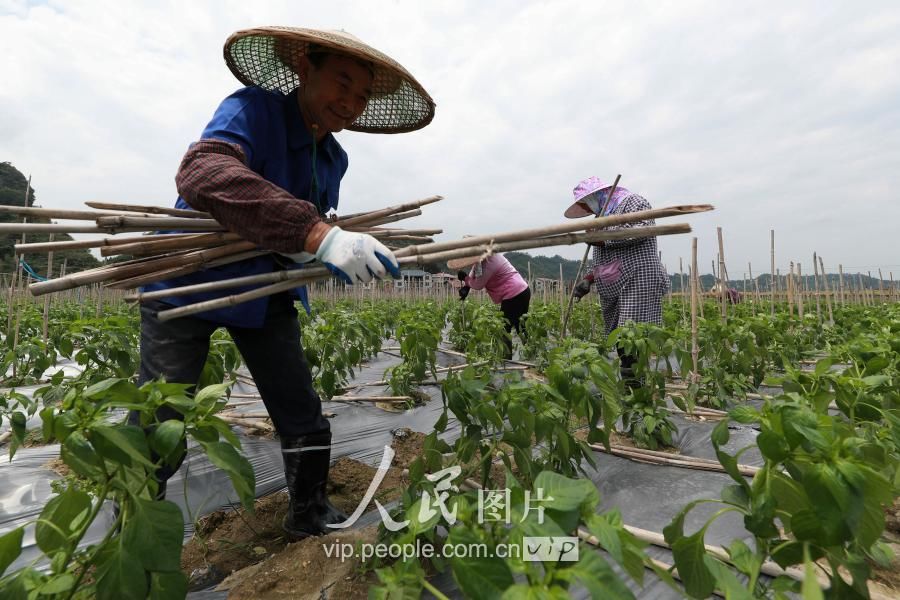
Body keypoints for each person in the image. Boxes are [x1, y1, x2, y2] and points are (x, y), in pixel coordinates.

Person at [134, 27, 435, 538]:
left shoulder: (334, 158)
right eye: (342, 82)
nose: (352, 102)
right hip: (187, 281)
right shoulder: (252, 109)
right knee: (159, 422)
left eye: (363, 95)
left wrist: (331, 241)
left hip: (264, 288)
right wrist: (318, 234)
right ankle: (134, 526)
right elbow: (202, 173)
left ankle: (308, 512)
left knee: (301, 411)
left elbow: (306, 222)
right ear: (304, 70)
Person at [566, 176, 670, 387]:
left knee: (630, 335)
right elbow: (605, 257)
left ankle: (635, 386)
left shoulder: (632, 202)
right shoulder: (601, 216)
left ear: (595, 196)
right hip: (614, 282)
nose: (587, 209)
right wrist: (588, 279)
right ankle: (631, 382)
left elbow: (643, 228)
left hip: (637, 277)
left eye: (586, 203)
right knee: (617, 335)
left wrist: (603, 237)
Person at [451, 252, 531, 360]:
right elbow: (474, 271)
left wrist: (466, 279)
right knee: (520, 326)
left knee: (504, 328)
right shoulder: (483, 259)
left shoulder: (490, 262)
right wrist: (467, 286)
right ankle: (532, 352)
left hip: (514, 293)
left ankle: (506, 360)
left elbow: (478, 285)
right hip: (522, 291)